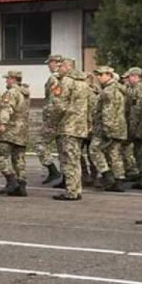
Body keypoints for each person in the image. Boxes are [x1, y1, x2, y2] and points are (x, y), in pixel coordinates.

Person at [52, 58, 91, 201]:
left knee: (68, 159)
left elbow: (60, 105)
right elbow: (90, 105)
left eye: (61, 66)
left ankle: (71, 191)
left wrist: (53, 121)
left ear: (68, 67)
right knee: (75, 159)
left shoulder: (66, 81)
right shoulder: (84, 83)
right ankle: (77, 188)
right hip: (80, 127)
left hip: (68, 126)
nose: (58, 68)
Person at [90, 66, 127, 192]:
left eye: (101, 75)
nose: (98, 77)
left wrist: (107, 129)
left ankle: (107, 175)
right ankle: (119, 180)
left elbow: (108, 112)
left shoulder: (108, 91)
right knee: (114, 154)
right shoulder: (118, 89)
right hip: (119, 127)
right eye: (98, 75)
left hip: (108, 127)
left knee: (94, 149)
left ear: (109, 75)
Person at [0, 71, 30, 197]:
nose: (6, 81)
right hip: (22, 131)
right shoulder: (25, 93)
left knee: (0, 156)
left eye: (8, 79)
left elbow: (7, 108)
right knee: (19, 159)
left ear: (13, 79)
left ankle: (12, 182)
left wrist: (3, 123)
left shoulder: (12, 92)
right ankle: (21, 185)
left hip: (10, 130)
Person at [36, 55, 63, 184]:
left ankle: (53, 170)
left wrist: (50, 118)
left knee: (40, 144)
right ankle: (68, 179)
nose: (48, 66)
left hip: (54, 118)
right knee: (63, 149)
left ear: (57, 63)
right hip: (63, 119)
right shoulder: (66, 77)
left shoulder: (54, 79)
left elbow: (54, 101)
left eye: (50, 63)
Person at [123, 67, 142, 189]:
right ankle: (141, 176)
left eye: (129, 77)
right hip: (136, 125)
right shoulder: (133, 89)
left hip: (141, 126)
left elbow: (139, 110)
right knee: (137, 151)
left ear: (135, 76)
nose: (127, 80)